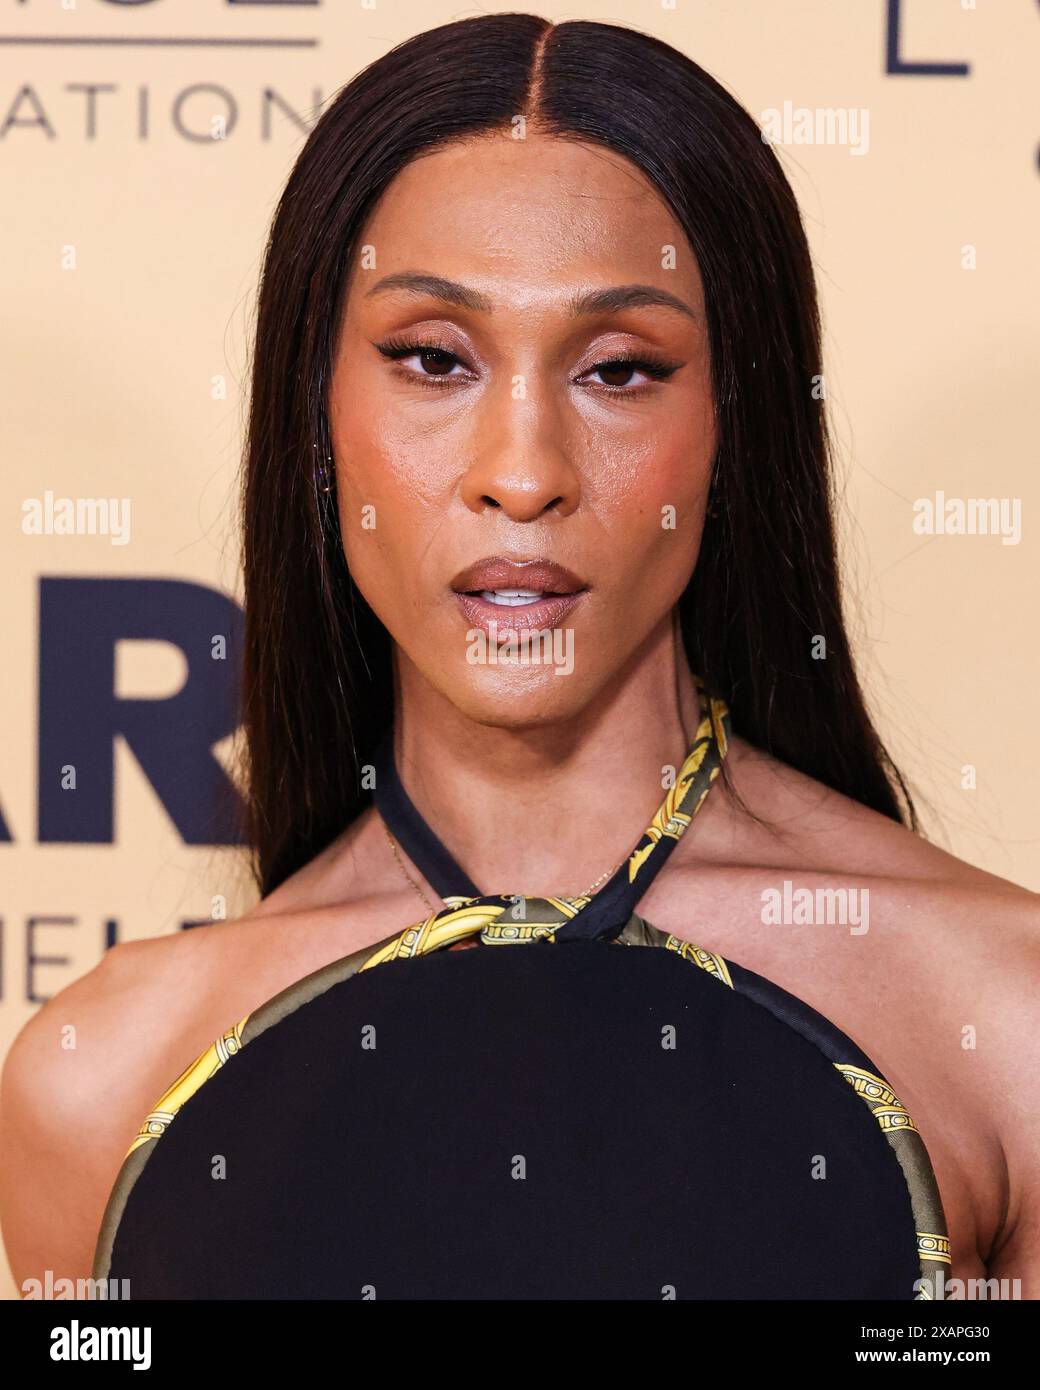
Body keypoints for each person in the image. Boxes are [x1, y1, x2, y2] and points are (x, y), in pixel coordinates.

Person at [1, 13, 1036, 1300]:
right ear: (313, 410)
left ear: (734, 420)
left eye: (618, 369)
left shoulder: (1003, 1026)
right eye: (433, 358)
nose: (523, 474)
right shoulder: (100, 1080)